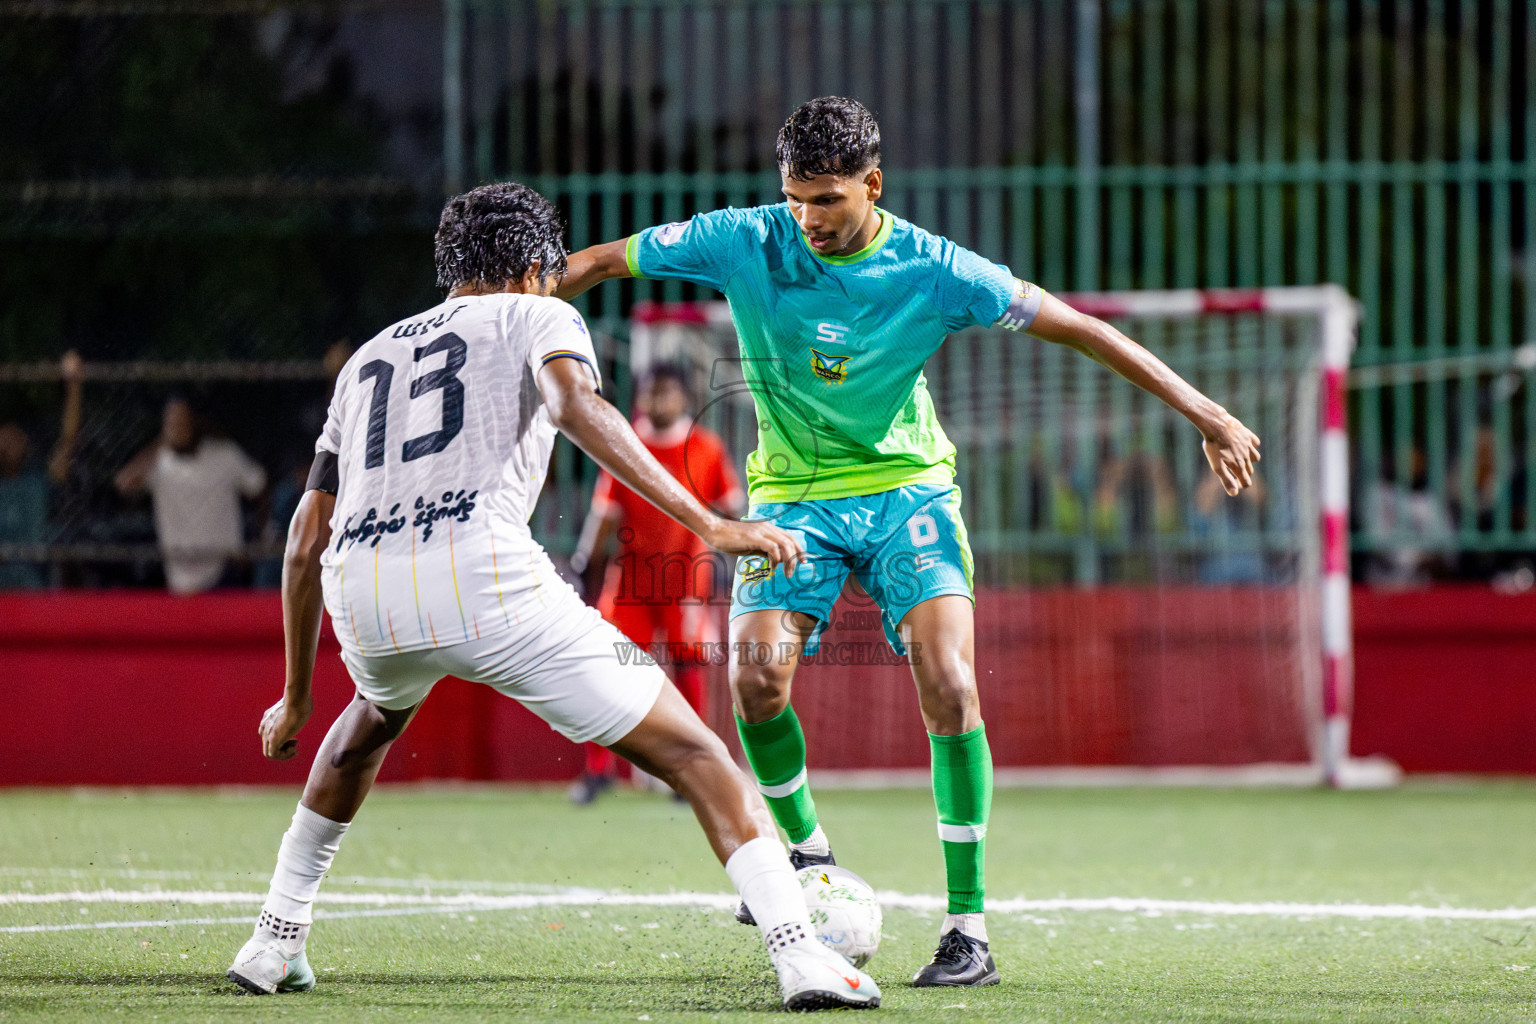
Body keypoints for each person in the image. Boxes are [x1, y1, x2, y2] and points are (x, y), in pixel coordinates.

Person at [556, 96, 1262, 987]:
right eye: (796, 197)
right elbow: (605, 260)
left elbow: (1079, 327)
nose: (808, 219)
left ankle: (968, 929)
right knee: (755, 678)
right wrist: (505, 310)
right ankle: (806, 855)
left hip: (906, 491)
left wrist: (1204, 412)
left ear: (872, 185)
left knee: (951, 680)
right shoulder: (745, 237)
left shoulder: (935, 268)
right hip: (793, 499)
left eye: (828, 199)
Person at [226, 182, 880, 1012]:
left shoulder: (365, 361)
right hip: (486, 575)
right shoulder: (539, 314)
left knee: (366, 723)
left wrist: (292, 696)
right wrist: (712, 526)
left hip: (363, 592)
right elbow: (578, 406)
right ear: (538, 267)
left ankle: (275, 938)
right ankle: (802, 958)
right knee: (698, 755)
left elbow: (303, 540)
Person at [568, 364, 745, 804]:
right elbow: (603, 515)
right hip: (629, 584)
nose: (659, 401)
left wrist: (742, 557)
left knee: (688, 673)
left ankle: (695, 772)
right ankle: (599, 770)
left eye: (668, 392)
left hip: (686, 583)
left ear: (683, 398)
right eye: (652, 392)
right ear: (641, 397)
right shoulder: (627, 444)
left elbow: (732, 508)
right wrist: (584, 562)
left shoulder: (706, 447)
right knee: (611, 672)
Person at [115, 395, 267, 594]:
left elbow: (259, 486)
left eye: (182, 420)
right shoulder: (160, 462)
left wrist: (259, 537)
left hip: (224, 568)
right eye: (172, 422)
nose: (178, 427)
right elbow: (124, 484)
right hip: (180, 577)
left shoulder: (224, 455)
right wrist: (161, 442)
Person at [0, 351, 85, 588]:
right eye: (3, 440)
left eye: (14, 438)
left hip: (32, 584)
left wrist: (74, 387)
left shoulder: (38, 480)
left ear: (26, 443)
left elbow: (69, 442)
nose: (8, 445)